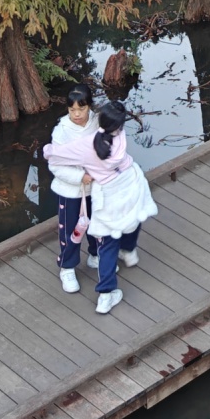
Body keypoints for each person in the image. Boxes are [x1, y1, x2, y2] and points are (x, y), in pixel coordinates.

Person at [42, 100, 158, 314]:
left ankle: (106, 294)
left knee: (106, 245)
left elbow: (53, 153)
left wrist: (48, 149)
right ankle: (129, 250)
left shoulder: (87, 146)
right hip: (131, 184)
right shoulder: (121, 137)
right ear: (120, 125)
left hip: (108, 196)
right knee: (136, 216)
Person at [47, 86, 98, 294]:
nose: (76, 115)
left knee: (97, 224)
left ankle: (96, 255)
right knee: (70, 230)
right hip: (71, 192)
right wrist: (80, 177)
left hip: (96, 187)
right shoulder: (61, 132)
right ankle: (67, 267)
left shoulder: (98, 122)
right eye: (72, 110)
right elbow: (56, 165)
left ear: (89, 107)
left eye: (81, 109)